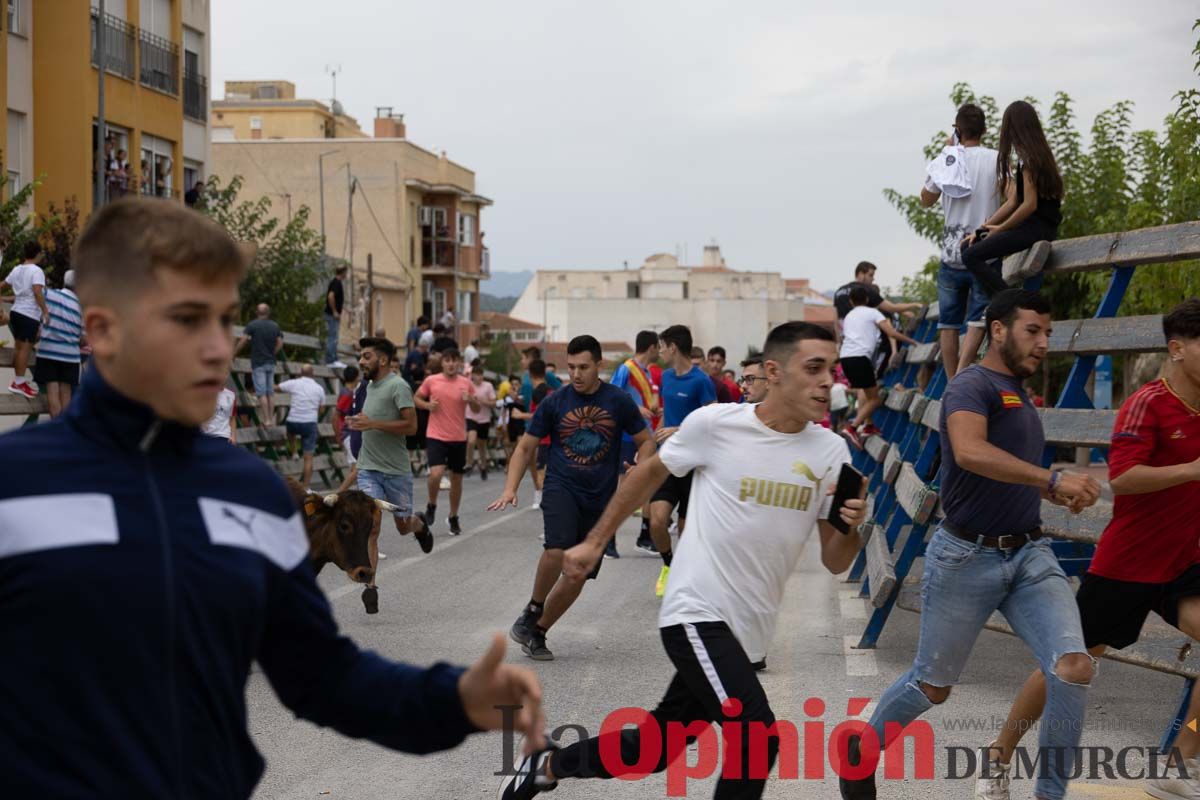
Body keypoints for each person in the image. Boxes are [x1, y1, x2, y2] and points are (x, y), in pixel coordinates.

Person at [0, 196, 546, 797]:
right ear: (101, 329)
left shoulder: (253, 493)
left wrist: (453, 701)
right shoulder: (16, 485)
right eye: (187, 319)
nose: (219, 346)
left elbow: (322, 676)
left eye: (225, 320)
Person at [498, 321, 869, 800]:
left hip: (747, 629)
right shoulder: (717, 425)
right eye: (813, 368)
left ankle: (548, 765)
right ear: (773, 371)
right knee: (756, 735)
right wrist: (594, 542)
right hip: (696, 611)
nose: (827, 382)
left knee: (655, 746)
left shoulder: (831, 451)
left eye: (831, 370)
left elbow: (836, 560)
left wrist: (851, 526)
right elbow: (646, 474)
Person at [840, 289, 1102, 800]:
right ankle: (861, 753)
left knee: (1073, 666)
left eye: (1048, 332)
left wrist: (1059, 489)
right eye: (1033, 331)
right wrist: (1050, 480)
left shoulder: (1018, 391)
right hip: (965, 557)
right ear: (998, 329)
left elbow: (1009, 470)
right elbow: (970, 450)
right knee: (932, 686)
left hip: (1029, 555)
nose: (1044, 342)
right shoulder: (971, 386)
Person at [979, 299, 1200, 800]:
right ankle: (998, 756)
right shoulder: (1148, 402)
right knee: (1067, 665)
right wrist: (1191, 469)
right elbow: (1123, 478)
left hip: (1183, 563)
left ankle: (1178, 766)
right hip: (1128, 566)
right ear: (1178, 348)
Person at [491, 335, 653, 661]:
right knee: (556, 548)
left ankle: (538, 631)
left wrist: (641, 466)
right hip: (561, 485)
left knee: (577, 572)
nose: (576, 374)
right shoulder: (555, 401)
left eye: (583, 367)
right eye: (571, 367)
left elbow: (645, 441)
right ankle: (533, 608)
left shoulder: (618, 401)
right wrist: (510, 488)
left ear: (599, 366)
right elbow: (525, 447)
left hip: (601, 499)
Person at [345, 337, 436, 610]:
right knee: (371, 527)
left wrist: (373, 423)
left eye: (366, 356)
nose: (361, 361)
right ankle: (371, 587)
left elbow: (410, 427)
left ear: (382, 360)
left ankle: (419, 525)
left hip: (396, 471)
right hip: (370, 469)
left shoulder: (398, 386)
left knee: (402, 526)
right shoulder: (367, 386)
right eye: (361, 356)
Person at [920, 103, 1000, 379]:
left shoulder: (948, 159)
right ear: (985, 130)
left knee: (948, 323)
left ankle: (952, 378)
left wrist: (946, 152)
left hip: (951, 252)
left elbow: (925, 199)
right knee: (977, 320)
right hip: (984, 251)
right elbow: (1012, 195)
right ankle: (961, 379)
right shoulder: (996, 159)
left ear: (957, 130)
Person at [961, 100, 1063, 298]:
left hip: (1036, 229)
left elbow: (1029, 205)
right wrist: (981, 229)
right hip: (1037, 227)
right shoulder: (1037, 155)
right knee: (969, 245)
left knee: (971, 255)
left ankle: (1012, 302)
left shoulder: (1028, 160)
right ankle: (1006, 301)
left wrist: (1001, 228)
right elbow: (1014, 200)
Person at [648, 325, 716, 598]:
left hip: (694, 466)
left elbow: (711, 424)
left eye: (662, 346)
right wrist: (657, 441)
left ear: (673, 347)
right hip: (668, 461)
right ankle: (669, 566)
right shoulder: (666, 377)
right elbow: (669, 415)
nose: (660, 351)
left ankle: (690, 579)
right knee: (656, 521)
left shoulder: (701, 381)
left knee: (687, 532)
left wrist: (677, 430)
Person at [839, 285, 918, 449]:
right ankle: (852, 428)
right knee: (875, 398)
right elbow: (892, 333)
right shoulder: (873, 312)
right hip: (860, 358)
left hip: (845, 358)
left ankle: (868, 425)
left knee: (866, 392)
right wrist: (912, 342)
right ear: (867, 299)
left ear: (851, 301)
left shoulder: (848, 316)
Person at [415, 348, 478, 535]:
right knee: (436, 474)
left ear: (459, 363)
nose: (451, 364)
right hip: (436, 435)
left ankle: (453, 516)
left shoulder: (466, 383)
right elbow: (416, 398)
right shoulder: (431, 381)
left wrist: (471, 399)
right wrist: (427, 405)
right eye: (447, 360)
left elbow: (475, 408)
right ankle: (432, 504)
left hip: (458, 437)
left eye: (454, 360)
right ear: (442, 363)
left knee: (456, 480)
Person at [610, 330, 661, 554]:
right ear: (651, 347)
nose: (660, 351)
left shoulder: (646, 372)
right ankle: (607, 540)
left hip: (644, 437)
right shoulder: (626, 368)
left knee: (648, 486)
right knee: (624, 489)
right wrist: (636, 409)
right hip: (626, 438)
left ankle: (645, 535)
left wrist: (653, 409)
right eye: (658, 346)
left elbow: (641, 401)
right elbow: (612, 396)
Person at [34, 268, 85, 418]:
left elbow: (35, 299)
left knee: (52, 391)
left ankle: (56, 427)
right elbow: (83, 339)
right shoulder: (82, 307)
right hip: (71, 356)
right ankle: (65, 431)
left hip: (49, 352)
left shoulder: (50, 295)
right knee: (66, 394)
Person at [2, 240, 49, 398]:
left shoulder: (17, 269)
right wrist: (45, 311)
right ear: (37, 254)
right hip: (29, 314)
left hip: (16, 312)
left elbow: (3, 284)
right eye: (41, 253)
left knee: (18, 347)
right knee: (25, 349)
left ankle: (18, 380)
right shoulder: (37, 271)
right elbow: (37, 291)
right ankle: (19, 382)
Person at [278, 364, 327, 488]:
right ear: (313, 374)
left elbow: (277, 387)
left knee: (290, 431)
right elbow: (322, 410)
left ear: (301, 373)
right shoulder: (319, 388)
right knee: (308, 458)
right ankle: (306, 487)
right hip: (309, 423)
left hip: (293, 421)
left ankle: (294, 451)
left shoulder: (294, 383)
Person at [234, 303, 283, 424]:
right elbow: (280, 343)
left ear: (257, 312)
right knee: (270, 392)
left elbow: (243, 340)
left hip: (258, 363)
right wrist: (273, 353)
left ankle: (266, 419)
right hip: (271, 363)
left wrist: (233, 354)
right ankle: (271, 418)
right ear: (268, 313)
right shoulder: (275, 326)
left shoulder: (252, 325)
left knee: (261, 393)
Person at [833, 261, 922, 324]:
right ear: (860, 274)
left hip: (844, 340)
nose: (873, 279)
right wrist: (913, 305)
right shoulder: (865, 290)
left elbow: (835, 316)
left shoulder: (839, 291)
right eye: (870, 275)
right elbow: (891, 307)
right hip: (861, 339)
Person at [466, 360, 497, 480]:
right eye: (476, 375)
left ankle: (483, 466)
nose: (479, 377)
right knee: (471, 440)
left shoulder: (488, 386)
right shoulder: (468, 385)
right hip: (471, 416)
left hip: (484, 418)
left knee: (482, 445)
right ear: (472, 375)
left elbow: (494, 403)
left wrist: (484, 401)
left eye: (481, 375)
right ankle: (469, 463)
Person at [334, 365, 359, 462]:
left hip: (349, 433)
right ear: (356, 377)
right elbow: (335, 416)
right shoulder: (347, 394)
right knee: (355, 467)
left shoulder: (347, 392)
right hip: (348, 433)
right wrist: (338, 436)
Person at [324, 264, 347, 367]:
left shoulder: (336, 282)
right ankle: (331, 360)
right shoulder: (336, 283)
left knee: (334, 337)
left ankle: (334, 358)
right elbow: (331, 296)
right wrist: (334, 311)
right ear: (343, 273)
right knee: (332, 337)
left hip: (333, 314)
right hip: (332, 315)